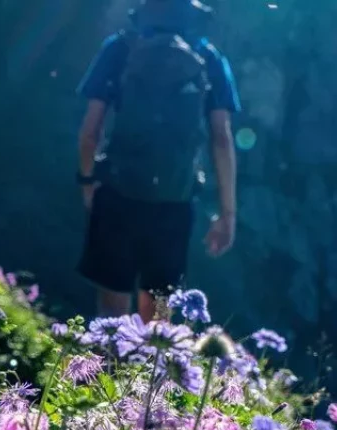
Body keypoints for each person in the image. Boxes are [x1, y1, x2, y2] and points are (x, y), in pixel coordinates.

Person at [76, 0, 241, 320]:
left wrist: (87, 182)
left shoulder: (119, 48)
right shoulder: (208, 58)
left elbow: (90, 131)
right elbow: (221, 137)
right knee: (159, 316)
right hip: (175, 200)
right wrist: (227, 213)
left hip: (117, 192)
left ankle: (109, 368)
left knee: (111, 311)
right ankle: (150, 369)